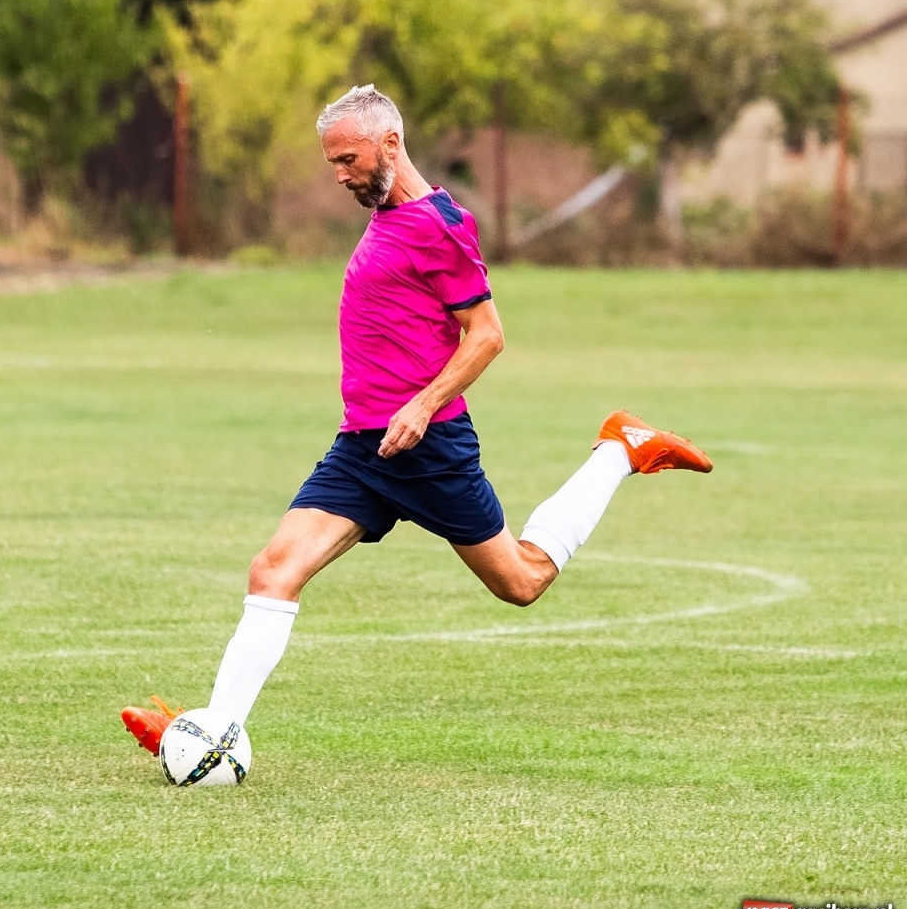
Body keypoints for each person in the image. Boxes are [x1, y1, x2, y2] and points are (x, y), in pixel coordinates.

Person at [121, 84, 712, 755]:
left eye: (347, 160)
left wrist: (422, 406)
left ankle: (620, 448)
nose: (339, 175)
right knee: (273, 569)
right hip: (363, 450)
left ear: (391, 145)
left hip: (428, 448)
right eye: (333, 163)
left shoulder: (442, 224)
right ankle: (214, 730)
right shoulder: (386, 217)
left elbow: (486, 334)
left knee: (521, 581)